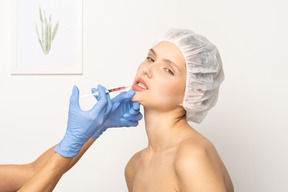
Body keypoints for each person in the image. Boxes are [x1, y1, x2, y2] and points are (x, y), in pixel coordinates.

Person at [1, 28, 234, 192]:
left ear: (194, 94)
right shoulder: (134, 167)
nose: (147, 70)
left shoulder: (193, 157)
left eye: (168, 70)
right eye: (150, 59)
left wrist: (86, 135)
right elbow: (32, 177)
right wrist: (83, 135)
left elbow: (34, 173)